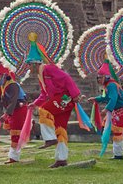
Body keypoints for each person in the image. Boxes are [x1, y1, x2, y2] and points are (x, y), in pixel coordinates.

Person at [24, 33, 81, 168]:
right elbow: (44, 94)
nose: (28, 68)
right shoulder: (41, 75)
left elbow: (66, 78)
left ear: (34, 64)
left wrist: (75, 94)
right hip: (61, 100)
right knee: (60, 128)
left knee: (44, 110)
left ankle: (50, 139)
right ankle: (62, 159)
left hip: (65, 98)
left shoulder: (49, 68)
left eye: (29, 65)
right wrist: (34, 103)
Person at [87, 60, 123, 160]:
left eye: (100, 77)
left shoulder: (111, 85)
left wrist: (107, 109)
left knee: (116, 131)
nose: (98, 79)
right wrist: (95, 99)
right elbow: (105, 97)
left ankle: (118, 155)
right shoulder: (108, 85)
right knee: (107, 125)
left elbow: (113, 98)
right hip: (119, 110)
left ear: (106, 77)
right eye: (97, 78)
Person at [0, 64, 28, 164]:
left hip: (18, 109)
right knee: (11, 129)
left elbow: (13, 102)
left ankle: (14, 157)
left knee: (15, 133)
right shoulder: (2, 85)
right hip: (12, 110)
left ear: (4, 76)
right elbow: (0, 97)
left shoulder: (13, 85)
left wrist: (6, 114)